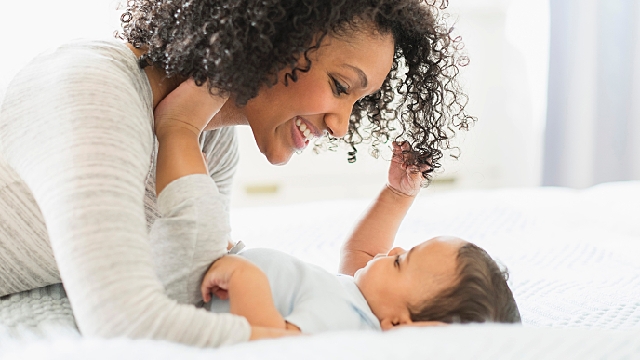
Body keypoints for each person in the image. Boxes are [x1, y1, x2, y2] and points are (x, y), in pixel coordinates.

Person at [0, 0, 475, 347]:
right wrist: (275, 341)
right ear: (271, 38)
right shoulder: (94, 97)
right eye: (339, 86)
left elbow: (190, 281)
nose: (340, 125)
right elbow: (123, 322)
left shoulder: (211, 139)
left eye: (358, 101)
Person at [151, 117, 519, 333]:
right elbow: (362, 251)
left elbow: (274, 347)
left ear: (403, 325)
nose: (393, 249)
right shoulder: (361, 305)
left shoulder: (342, 324)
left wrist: (245, 280)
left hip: (192, 293)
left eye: (401, 262)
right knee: (191, 185)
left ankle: (176, 125)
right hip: (211, 270)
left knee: (188, 176)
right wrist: (397, 194)